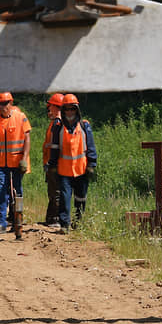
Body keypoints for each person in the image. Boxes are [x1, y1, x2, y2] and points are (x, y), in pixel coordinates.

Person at [47, 94, 97, 234]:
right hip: (64, 171)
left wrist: (91, 164)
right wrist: (52, 165)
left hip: (81, 169)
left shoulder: (84, 126)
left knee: (81, 197)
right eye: (67, 109)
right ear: (63, 111)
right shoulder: (58, 127)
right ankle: (65, 225)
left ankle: (78, 221)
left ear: (77, 110)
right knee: (64, 197)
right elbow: (55, 148)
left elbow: (90, 146)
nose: (69, 112)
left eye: (72, 109)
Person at [0, 92, 31, 234]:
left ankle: (18, 221)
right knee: (0, 192)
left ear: (11, 103)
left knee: (17, 192)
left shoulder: (21, 117)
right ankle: (1, 223)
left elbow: (27, 139)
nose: (2, 106)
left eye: (5, 103)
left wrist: (24, 158)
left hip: (17, 162)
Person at [42, 93, 65, 228]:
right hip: (50, 163)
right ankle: (51, 218)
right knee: (52, 192)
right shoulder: (54, 123)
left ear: (57, 107)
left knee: (56, 192)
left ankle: (56, 219)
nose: (48, 110)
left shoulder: (59, 124)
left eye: (50, 107)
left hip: (56, 164)